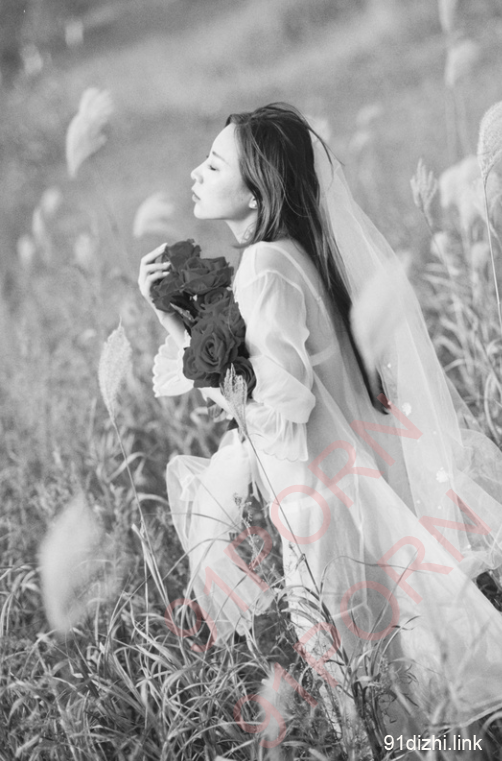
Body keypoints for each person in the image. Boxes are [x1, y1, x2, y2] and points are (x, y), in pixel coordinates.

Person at [138, 103, 502, 740]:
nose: (196, 172)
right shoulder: (296, 253)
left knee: (362, 688)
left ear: (256, 191)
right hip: (342, 491)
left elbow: (283, 410)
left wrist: (185, 340)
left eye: (214, 165)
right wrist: (181, 323)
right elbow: (278, 382)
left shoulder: (264, 267)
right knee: (398, 666)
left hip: (318, 508)